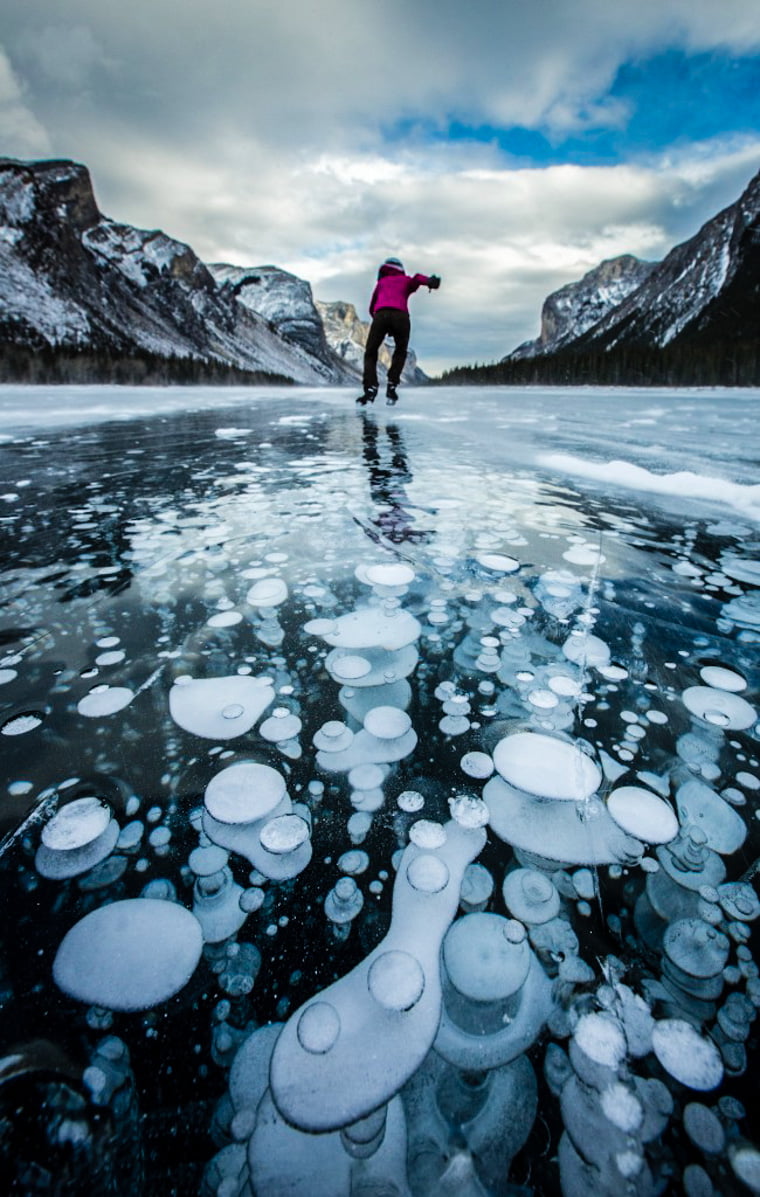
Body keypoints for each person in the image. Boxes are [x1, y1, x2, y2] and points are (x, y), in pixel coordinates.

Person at [357, 258, 440, 406]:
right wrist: (429, 282)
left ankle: (370, 388)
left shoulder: (381, 283)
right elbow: (417, 278)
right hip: (401, 317)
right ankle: (391, 387)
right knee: (400, 351)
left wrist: (381, 322)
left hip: (381, 315)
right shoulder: (405, 280)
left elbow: (372, 307)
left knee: (370, 352)